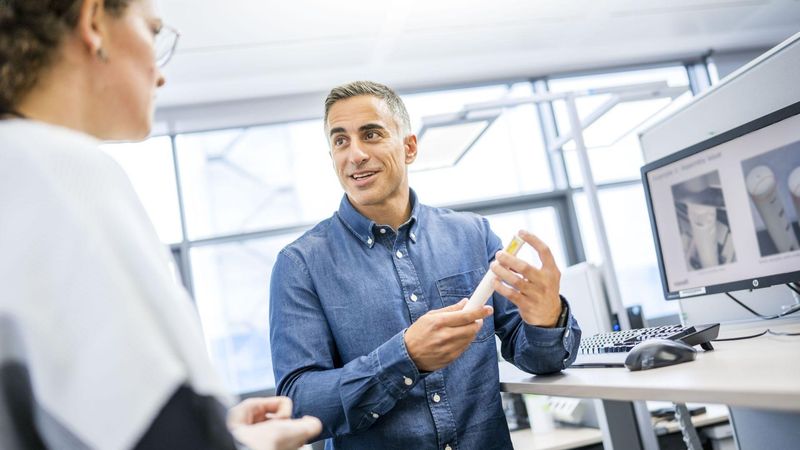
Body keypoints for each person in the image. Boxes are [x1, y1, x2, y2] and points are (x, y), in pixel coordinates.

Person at [0, 1, 321, 449]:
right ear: (94, 22)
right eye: (153, 32)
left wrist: (223, 434)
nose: (161, 73)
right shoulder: (58, 169)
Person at [269, 81, 582, 449]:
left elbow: (538, 358)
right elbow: (298, 405)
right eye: (341, 141)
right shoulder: (300, 265)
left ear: (409, 148)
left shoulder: (473, 236)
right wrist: (404, 357)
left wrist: (545, 319)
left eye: (371, 134)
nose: (355, 154)